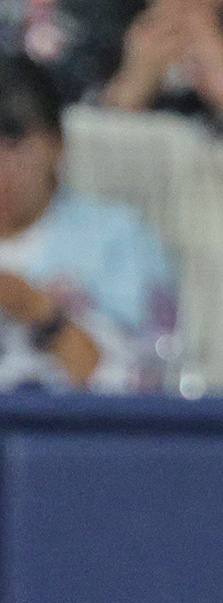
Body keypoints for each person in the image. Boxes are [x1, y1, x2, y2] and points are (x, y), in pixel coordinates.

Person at [0, 54, 176, 391]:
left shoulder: (118, 239)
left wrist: (34, 308)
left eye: (13, 146)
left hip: (69, 435)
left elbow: (146, 388)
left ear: (57, 145)